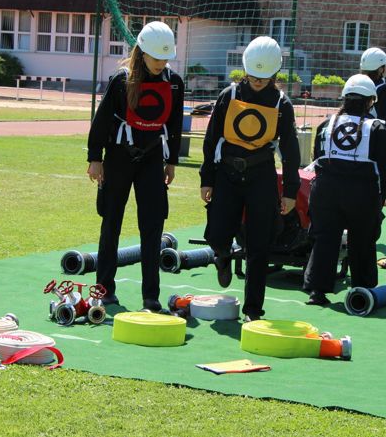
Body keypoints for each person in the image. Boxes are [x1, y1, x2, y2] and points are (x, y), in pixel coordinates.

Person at [200, 36, 300, 321]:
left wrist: (290, 191)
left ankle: (253, 310)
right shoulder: (229, 95)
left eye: (264, 77)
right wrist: (207, 178)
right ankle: (222, 256)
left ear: (275, 73)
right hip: (226, 174)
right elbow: (211, 138)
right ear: (245, 69)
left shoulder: (282, 103)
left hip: (261, 176)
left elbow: (290, 150)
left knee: (259, 245)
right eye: (253, 75)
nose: (257, 81)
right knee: (217, 234)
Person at [87, 21, 184, 311]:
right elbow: (102, 120)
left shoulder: (174, 82)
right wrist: (95, 158)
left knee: (153, 227)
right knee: (111, 223)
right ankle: (105, 289)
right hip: (118, 157)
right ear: (142, 52)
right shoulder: (121, 80)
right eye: (156, 57)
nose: (161, 63)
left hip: (153, 159)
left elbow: (174, 125)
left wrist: (171, 162)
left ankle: (150, 296)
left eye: (165, 58)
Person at [303, 75, 386, 305]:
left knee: (325, 239)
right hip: (361, 193)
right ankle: (362, 291)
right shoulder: (376, 128)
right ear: (370, 101)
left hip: (325, 191)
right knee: (363, 241)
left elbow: (317, 158)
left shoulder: (326, 124)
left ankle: (317, 290)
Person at [359, 47, 386, 133]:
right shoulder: (384, 90)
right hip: (373, 136)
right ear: (380, 69)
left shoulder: (354, 85)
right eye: (385, 66)